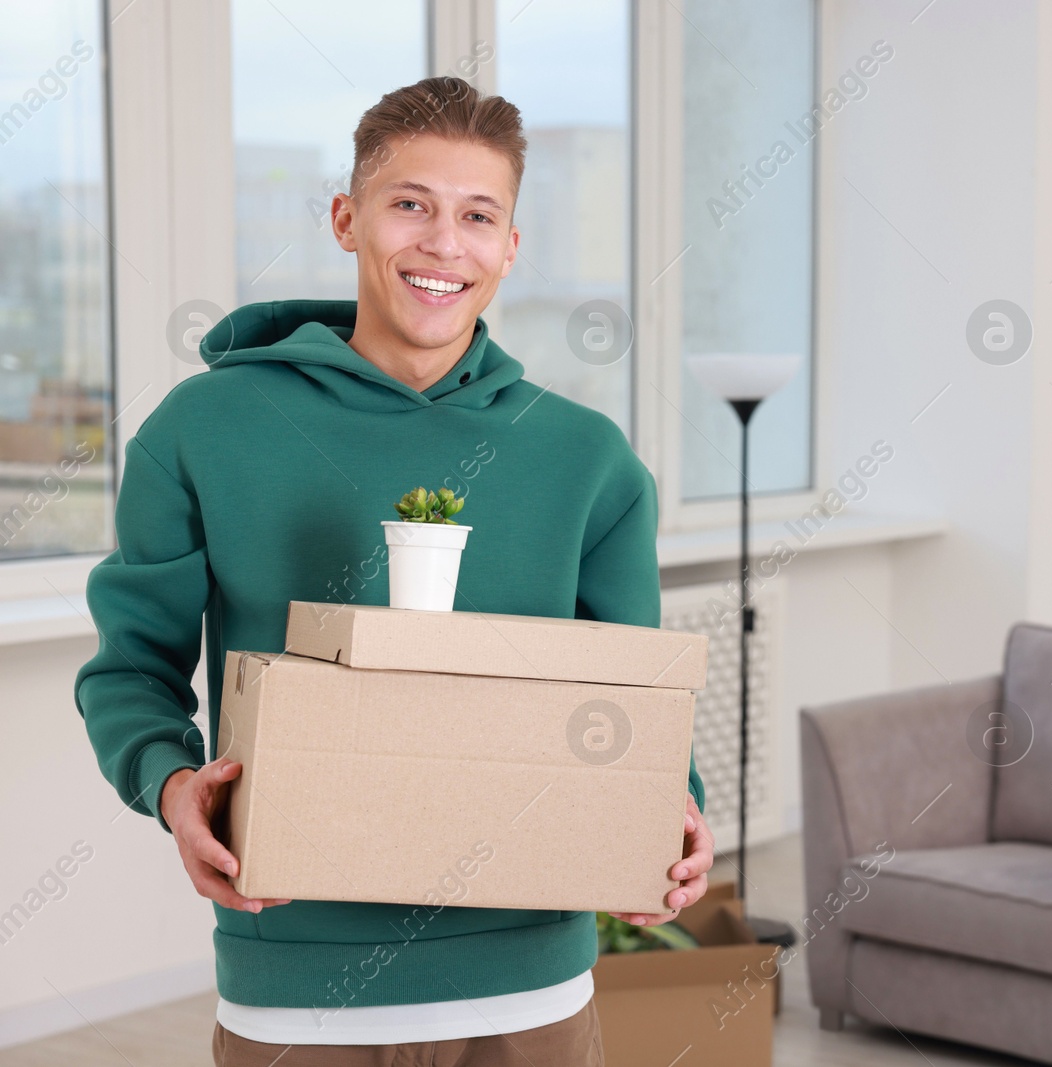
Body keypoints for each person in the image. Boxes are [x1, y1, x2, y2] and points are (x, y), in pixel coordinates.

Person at [72, 75, 713, 1066]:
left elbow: (637, 701)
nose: (441, 242)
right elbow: (130, 670)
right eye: (409, 202)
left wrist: (679, 818)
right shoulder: (205, 429)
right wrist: (170, 786)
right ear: (347, 217)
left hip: (531, 986)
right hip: (295, 988)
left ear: (509, 246)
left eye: (476, 215)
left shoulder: (588, 459)